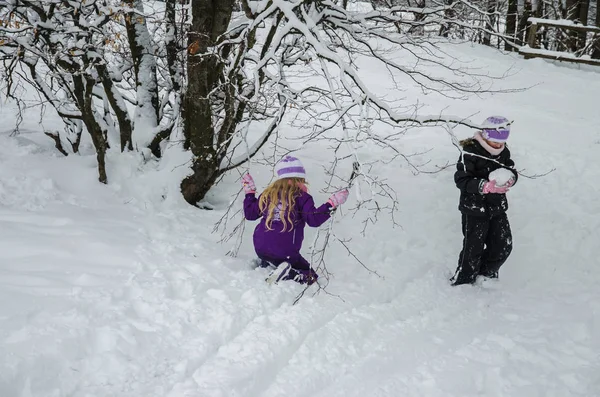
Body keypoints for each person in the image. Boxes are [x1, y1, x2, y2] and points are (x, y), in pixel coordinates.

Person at [242, 156, 349, 285]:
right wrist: (332, 203)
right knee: (311, 275)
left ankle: (268, 262)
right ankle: (290, 274)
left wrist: (249, 193)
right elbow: (313, 219)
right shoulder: (302, 197)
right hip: (284, 252)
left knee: (272, 250)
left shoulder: (268, 194)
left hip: (260, 247)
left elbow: (250, 214)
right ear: (300, 178)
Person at [451, 116, 519, 286]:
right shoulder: (470, 151)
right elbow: (461, 179)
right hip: (474, 208)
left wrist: (511, 178)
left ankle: (485, 275)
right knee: (473, 248)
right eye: (495, 141)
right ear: (486, 135)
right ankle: (464, 281)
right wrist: (484, 186)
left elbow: (511, 169)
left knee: (503, 245)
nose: (498, 145)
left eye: (502, 141)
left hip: (497, 207)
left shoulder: (503, 152)